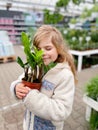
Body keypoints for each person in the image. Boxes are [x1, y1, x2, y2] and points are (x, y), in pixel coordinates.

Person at [10, 25, 77, 130]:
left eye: (48, 48)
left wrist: (31, 96)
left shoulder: (65, 75)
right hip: (29, 124)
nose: (42, 53)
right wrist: (16, 87)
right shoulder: (35, 66)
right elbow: (21, 79)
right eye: (38, 49)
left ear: (59, 48)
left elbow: (61, 110)